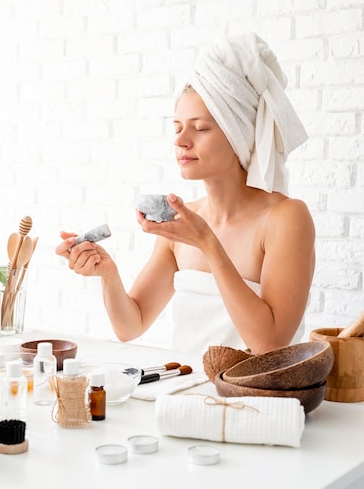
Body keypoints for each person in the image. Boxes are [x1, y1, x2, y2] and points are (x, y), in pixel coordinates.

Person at [55, 32, 315, 356]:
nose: (181, 140)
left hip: (256, 401)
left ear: (240, 134)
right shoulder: (183, 224)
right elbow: (130, 324)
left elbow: (269, 344)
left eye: (200, 127)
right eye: (177, 127)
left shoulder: (285, 218)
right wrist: (108, 274)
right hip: (184, 397)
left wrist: (207, 243)